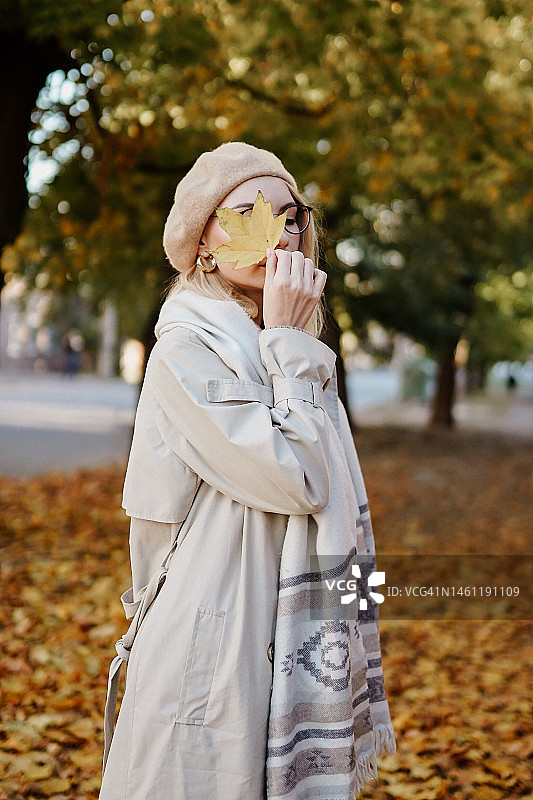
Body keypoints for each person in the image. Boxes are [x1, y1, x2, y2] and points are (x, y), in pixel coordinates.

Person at [98, 142, 395, 800]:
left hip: (282, 639)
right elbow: (298, 480)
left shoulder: (288, 344)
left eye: (290, 216)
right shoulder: (186, 351)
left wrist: (291, 343)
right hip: (214, 642)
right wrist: (292, 345)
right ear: (203, 241)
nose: (279, 232)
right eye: (248, 213)